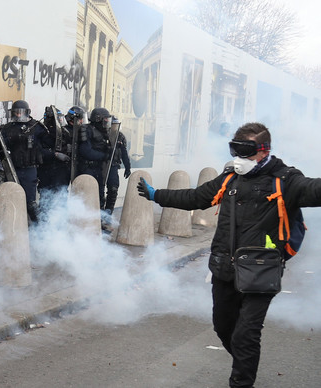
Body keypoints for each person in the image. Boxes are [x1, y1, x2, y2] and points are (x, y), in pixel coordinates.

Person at [137, 122, 321, 388]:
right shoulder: (230, 177)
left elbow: (314, 189)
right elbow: (197, 197)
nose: (238, 157)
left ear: (263, 151)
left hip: (261, 271)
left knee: (246, 334)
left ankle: (241, 381)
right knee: (224, 329)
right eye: (234, 149)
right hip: (224, 267)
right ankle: (245, 361)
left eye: (244, 151)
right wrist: (158, 195)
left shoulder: (286, 180)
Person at [0, 100, 49, 222]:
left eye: (21, 112)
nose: (18, 115)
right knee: (9, 200)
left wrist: (51, 122)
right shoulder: (7, 128)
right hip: (12, 168)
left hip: (29, 169)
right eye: (16, 112)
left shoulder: (36, 127)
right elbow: (0, 147)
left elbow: (48, 142)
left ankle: (40, 230)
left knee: (30, 203)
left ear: (27, 112)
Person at [78, 107, 113, 209]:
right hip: (87, 168)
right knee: (87, 195)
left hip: (98, 168)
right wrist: (104, 156)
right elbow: (85, 151)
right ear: (98, 119)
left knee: (100, 196)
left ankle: (99, 220)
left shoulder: (104, 132)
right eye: (105, 119)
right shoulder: (86, 129)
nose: (107, 122)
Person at [37, 106, 71, 195]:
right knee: (46, 196)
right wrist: (54, 154)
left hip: (61, 169)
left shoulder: (64, 132)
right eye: (58, 119)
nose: (60, 121)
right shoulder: (42, 132)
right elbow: (38, 151)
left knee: (61, 195)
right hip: (46, 169)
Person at [103, 115, 131, 215]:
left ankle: (108, 212)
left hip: (113, 166)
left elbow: (124, 153)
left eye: (116, 125)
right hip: (102, 165)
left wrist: (128, 167)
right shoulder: (103, 134)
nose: (114, 128)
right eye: (113, 125)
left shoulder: (121, 136)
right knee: (100, 189)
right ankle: (100, 211)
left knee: (113, 188)